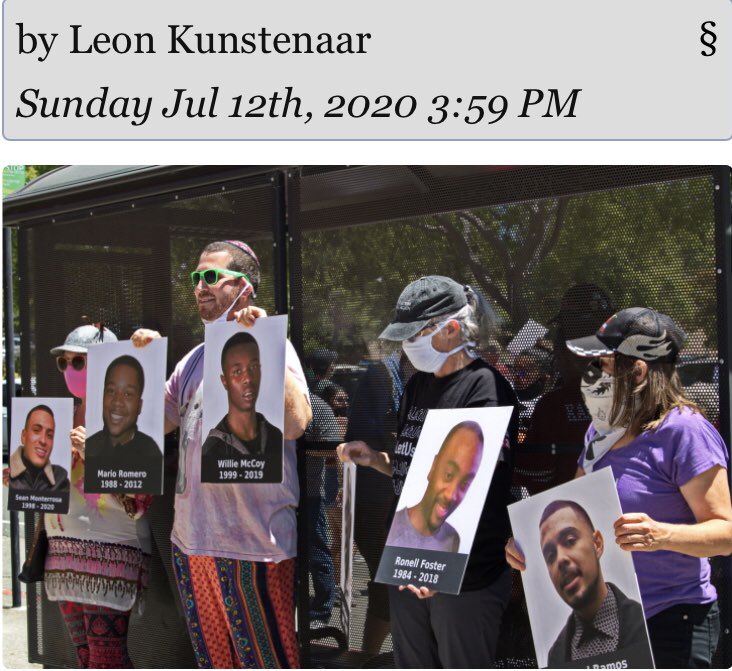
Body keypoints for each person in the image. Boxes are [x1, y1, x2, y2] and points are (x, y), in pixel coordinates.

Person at [506, 307, 732, 669]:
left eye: (602, 365)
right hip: (607, 626)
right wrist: (528, 548)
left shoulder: (685, 431)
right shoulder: (601, 431)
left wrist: (662, 535)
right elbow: (574, 508)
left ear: (637, 370)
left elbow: (725, 533)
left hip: (673, 623)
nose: (590, 376)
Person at [132, 239, 312, 669]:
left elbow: (296, 423)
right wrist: (144, 364)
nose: (200, 286)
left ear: (245, 287)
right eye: (196, 278)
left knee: (267, 662)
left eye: (211, 276)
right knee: (214, 662)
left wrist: (266, 342)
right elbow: (158, 423)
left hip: (254, 544)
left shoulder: (274, 347)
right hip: (192, 542)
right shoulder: (193, 359)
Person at [338, 275, 518, 668]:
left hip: (464, 575)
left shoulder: (484, 386)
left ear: (451, 329)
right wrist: (374, 459)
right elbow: (420, 473)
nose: (407, 346)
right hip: (410, 560)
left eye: (415, 334)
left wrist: (433, 563)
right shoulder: (419, 385)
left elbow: (472, 487)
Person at [45, 324, 152, 669]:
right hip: (63, 554)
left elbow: (141, 495)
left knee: (107, 657)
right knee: (84, 655)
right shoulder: (58, 416)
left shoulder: (129, 415)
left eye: (80, 362)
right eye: (65, 362)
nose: (70, 369)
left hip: (110, 552)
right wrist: (24, 476)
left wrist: (96, 454)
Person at [539, 500, 647, 666]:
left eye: (569, 540)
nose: (560, 559)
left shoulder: (644, 622)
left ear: (597, 544)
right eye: (550, 556)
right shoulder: (556, 656)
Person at [385, 420, 483, 553]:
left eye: (465, 484)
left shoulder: (453, 540)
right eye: (448, 475)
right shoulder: (395, 528)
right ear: (433, 467)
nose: (450, 495)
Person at [201, 331, 283, 482]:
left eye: (253, 367)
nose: (248, 379)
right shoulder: (212, 450)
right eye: (237, 372)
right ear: (224, 381)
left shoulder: (276, 436)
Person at [85, 355, 162, 492]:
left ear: (139, 405)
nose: (117, 402)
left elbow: (141, 504)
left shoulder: (150, 452)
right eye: (111, 391)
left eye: (128, 394)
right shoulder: (88, 447)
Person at [9, 405, 69, 492]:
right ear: (23, 436)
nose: (43, 441)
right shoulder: (6, 471)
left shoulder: (60, 479)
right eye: (36, 430)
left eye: (49, 435)